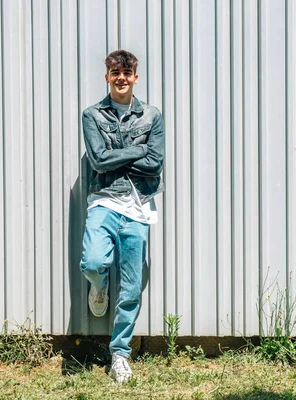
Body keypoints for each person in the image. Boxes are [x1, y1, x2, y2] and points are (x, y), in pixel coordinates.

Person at [79, 49, 165, 384]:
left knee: (131, 288)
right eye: (115, 73)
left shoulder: (151, 115)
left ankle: (120, 353)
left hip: (139, 206)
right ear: (107, 77)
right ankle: (98, 287)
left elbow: (156, 164)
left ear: (135, 77)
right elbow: (99, 161)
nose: (121, 78)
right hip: (104, 201)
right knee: (93, 262)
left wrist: (119, 155)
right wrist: (139, 151)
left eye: (127, 73)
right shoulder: (92, 115)